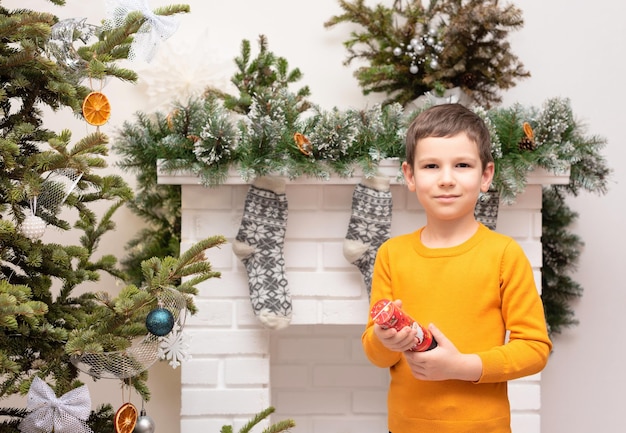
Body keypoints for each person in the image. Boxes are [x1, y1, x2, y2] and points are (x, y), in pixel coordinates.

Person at [362, 103, 552, 433]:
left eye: (462, 165)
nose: (446, 179)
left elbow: (535, 349)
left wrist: (462, 366)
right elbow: (377, 355)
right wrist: (384, 340)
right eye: (431, 166)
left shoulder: (504, 255)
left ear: (485, 175)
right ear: (410, 175)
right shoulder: (391, 254)